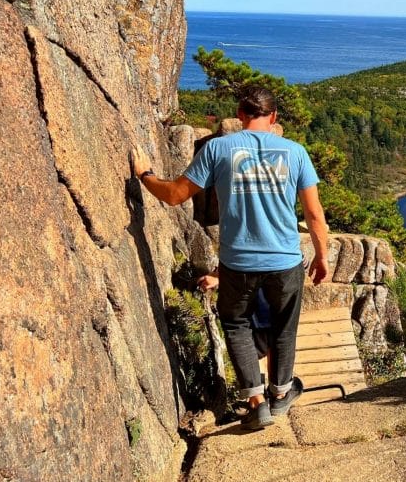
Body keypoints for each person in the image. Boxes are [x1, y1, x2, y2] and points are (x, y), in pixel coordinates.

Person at [132, 87, 329, 430]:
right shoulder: (295, 153)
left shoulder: (218, 149)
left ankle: (256, 402)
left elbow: (176, 195)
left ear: (240, 115)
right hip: (284, 261)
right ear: (274, 117)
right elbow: (314, 214)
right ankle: (281, 394)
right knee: (284, 327)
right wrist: (322, 255)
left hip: (237, 262)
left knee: (236, 324)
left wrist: (145, 175)